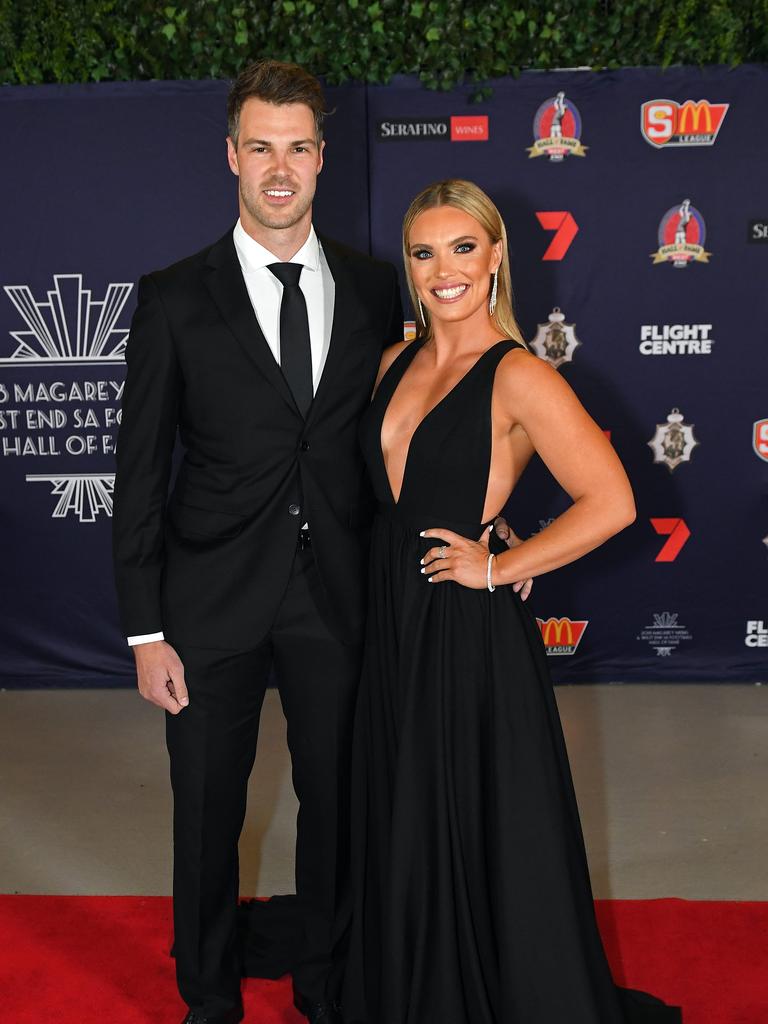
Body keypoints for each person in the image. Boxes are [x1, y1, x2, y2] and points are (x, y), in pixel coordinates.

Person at [112, 61, 534, 1024]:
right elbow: (136, 479)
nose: (279, 168)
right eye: (260, 147)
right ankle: (209, 999)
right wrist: (145, 632)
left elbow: (414, 421)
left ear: (320, 159)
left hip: (341, 600)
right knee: (207, 818)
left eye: (297, 147)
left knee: (338, 813)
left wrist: (488, 513)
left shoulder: (379, 285)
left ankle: (329, 986)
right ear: (231, 155)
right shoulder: (174, 298)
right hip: (208, 608)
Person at [342, 179, 682, 1024]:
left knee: (466, 820)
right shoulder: (392, 362)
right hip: (387, 624)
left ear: (496, 257)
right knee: (402, 812)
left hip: (463, 633)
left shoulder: (521, 375)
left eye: (464, 248)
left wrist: (501, 564)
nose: (443, 269)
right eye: (425, 252)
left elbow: (612, 501)